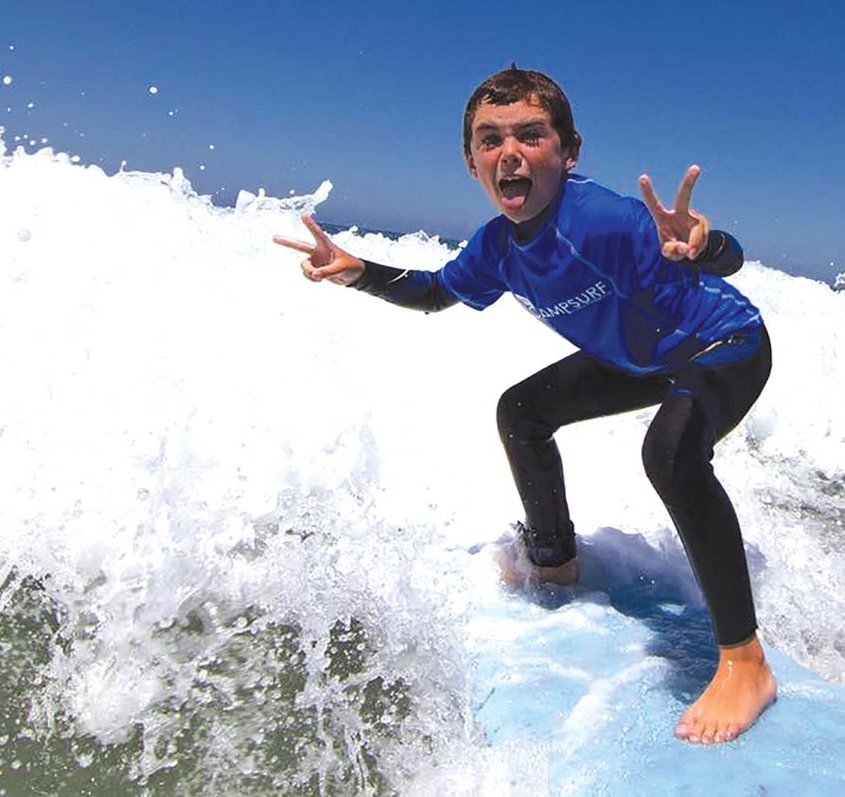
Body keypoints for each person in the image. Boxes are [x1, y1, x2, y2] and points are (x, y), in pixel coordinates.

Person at [273, 66, 776, 744]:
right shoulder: (497, 249)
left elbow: (721, 259)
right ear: (471, 162)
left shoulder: (603, 220)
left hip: (725, 342)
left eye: (531, 135)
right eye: (490, 139)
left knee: (670, 452)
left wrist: (705, 244)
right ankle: (555, 560)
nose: (509, 152)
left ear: (568, 151)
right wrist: (359, 271)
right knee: (522, 411)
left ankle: (745, 662)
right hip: (641, 359)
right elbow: (432, 293)